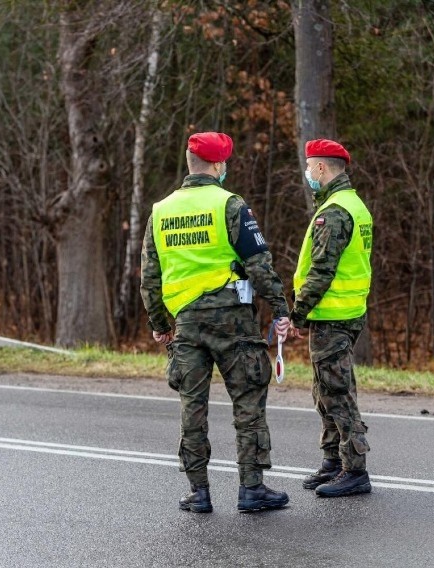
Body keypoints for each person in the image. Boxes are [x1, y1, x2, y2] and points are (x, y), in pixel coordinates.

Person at [140, 131, 291, 513]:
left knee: (193, 406)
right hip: (232, 320)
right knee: (248, 400)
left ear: (190, 165)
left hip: (186, 322)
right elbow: (259, 263)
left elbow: (149, 276)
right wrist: (280, 308)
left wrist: (160, 322)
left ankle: (198, 491)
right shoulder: (230, 205)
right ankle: (252, 488)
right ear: (218, 165)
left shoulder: (161, 210)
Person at [289, 138, 374, 498]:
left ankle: (354, 470)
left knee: (337, 392)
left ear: (321, 168)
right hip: (345, 311)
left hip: (332, 314)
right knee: (324, 389)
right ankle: (333, 462)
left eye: (310, 167)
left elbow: (321, 271)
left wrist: (297, 312)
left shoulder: (335, 212)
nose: (308, 173)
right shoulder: (352, 205)